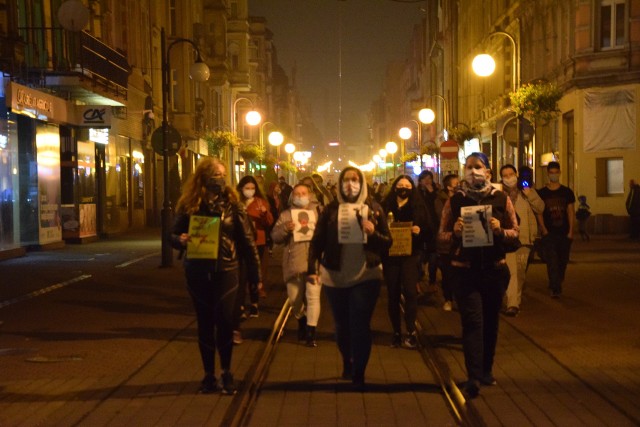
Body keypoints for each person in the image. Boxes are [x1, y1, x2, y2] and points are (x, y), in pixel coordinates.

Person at [171, 157, 261, 395]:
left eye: (222, 175)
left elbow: (248, 243)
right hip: (197, 270)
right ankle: (209, 375)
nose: (220, 179)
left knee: (224, 321)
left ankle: (227, 371)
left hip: (227, 269)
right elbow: (171, 234)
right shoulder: (189, 206)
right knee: (205, 323)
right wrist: (180, 240)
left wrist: (255, 276)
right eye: (215, 174)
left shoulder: (234, 206)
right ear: (203, 178)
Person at [438, 152, 518, 399]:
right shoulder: (455, 201)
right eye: (469, 167)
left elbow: (516, 233)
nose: (473, 171)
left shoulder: (501, 199)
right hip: (465, 271)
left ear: (488, 172)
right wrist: (454, 232)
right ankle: (473, 376)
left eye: (478, 167)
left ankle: (486, 370)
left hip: (494, 270)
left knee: (491, 322)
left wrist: (500, 230)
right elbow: (440, 237)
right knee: (473, 322)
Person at [307, 166, 392, 390]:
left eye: (355, 180)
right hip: (335, 276)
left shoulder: (373, 208)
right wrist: (312, 268)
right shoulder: (331, 210)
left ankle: (359, 372)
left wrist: (373, 233)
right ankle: (348, 359)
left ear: (362, 183)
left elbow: (387, 242)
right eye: (346, 180)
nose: (350, 185)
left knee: (360, 324)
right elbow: (317, 242)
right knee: (342, 326)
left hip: (367, 275)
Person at [381, 175, 432, 348]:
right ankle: (396, 331)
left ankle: (410, 330)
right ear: (395, 187)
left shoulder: (418, 205)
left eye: (407, 185)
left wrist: (419, 229)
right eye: (400, 185)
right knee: (393, 294)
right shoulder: (386, 205)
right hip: (391, 255)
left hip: (411, 254)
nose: (403, 188)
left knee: (410, 292)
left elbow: (428, 228)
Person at [271, 184, 322, 346]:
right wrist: (286, 228)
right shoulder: (286, 215)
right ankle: (302, 319)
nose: (300, 196)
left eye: (304, 193)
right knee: (295, 299)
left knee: (313, 298)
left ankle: (311, 333)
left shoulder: (318, 212)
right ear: (293, 196)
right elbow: (275, 236)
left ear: (310, 194)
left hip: (315, 263)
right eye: (297, 193)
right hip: (293, 263)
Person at [499, 165, 545, 317]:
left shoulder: (526, 192)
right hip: (506, 239)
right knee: (512, 272)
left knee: (520, 274)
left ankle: (513, 299)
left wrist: (530, 194)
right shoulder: (498, 194)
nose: (509, 177)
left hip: (524, 238)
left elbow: (540, 208)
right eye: (505, 175)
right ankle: (513, 304)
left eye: (511, 174)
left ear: (516, 175)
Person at [236, 175, 274, 316]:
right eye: (247, 188)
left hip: (257, 241)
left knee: (254, 273)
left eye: (252, 188)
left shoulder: (260, 202)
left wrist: (264, 214)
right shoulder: (236, 202)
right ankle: (239, 304)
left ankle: (254, 303)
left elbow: (269, 222)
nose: (250, 191)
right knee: (241, 274)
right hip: (240, 242)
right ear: (241, 188)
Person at [537, 161, 575, 298]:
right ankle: (555, 287)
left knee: (562, 261)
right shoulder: (542, 193)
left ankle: (557, 281)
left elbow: (570, 212)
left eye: (556, 172)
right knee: (552, 260)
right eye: (551, 172)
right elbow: (539, 212)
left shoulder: (566, 192)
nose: (554, 175)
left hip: (564, 233)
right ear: (548, 174)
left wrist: (571, 231)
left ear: (559, 173)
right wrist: (544, 229)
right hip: (549, 233)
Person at [434, 173, 460, 311]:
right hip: (446, 243)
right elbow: (441, 219)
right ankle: (448, 298)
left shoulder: (463, 198)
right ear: (449, 187)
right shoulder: (441, 200)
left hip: (460, 242)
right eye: (457, 183)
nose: (459, 185)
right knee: (447, 272)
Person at [417, 170, 440, 289]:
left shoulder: (436, 193)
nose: (427, 181)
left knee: (433, 255)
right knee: (420, 253)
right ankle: (420, 275)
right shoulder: (416, 194)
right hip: (420, 228)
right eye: (424, 178)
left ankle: (432, 279)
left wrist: (432, 194)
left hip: (433, 228)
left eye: (429, 178)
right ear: (420, 181)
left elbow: (437, 209)